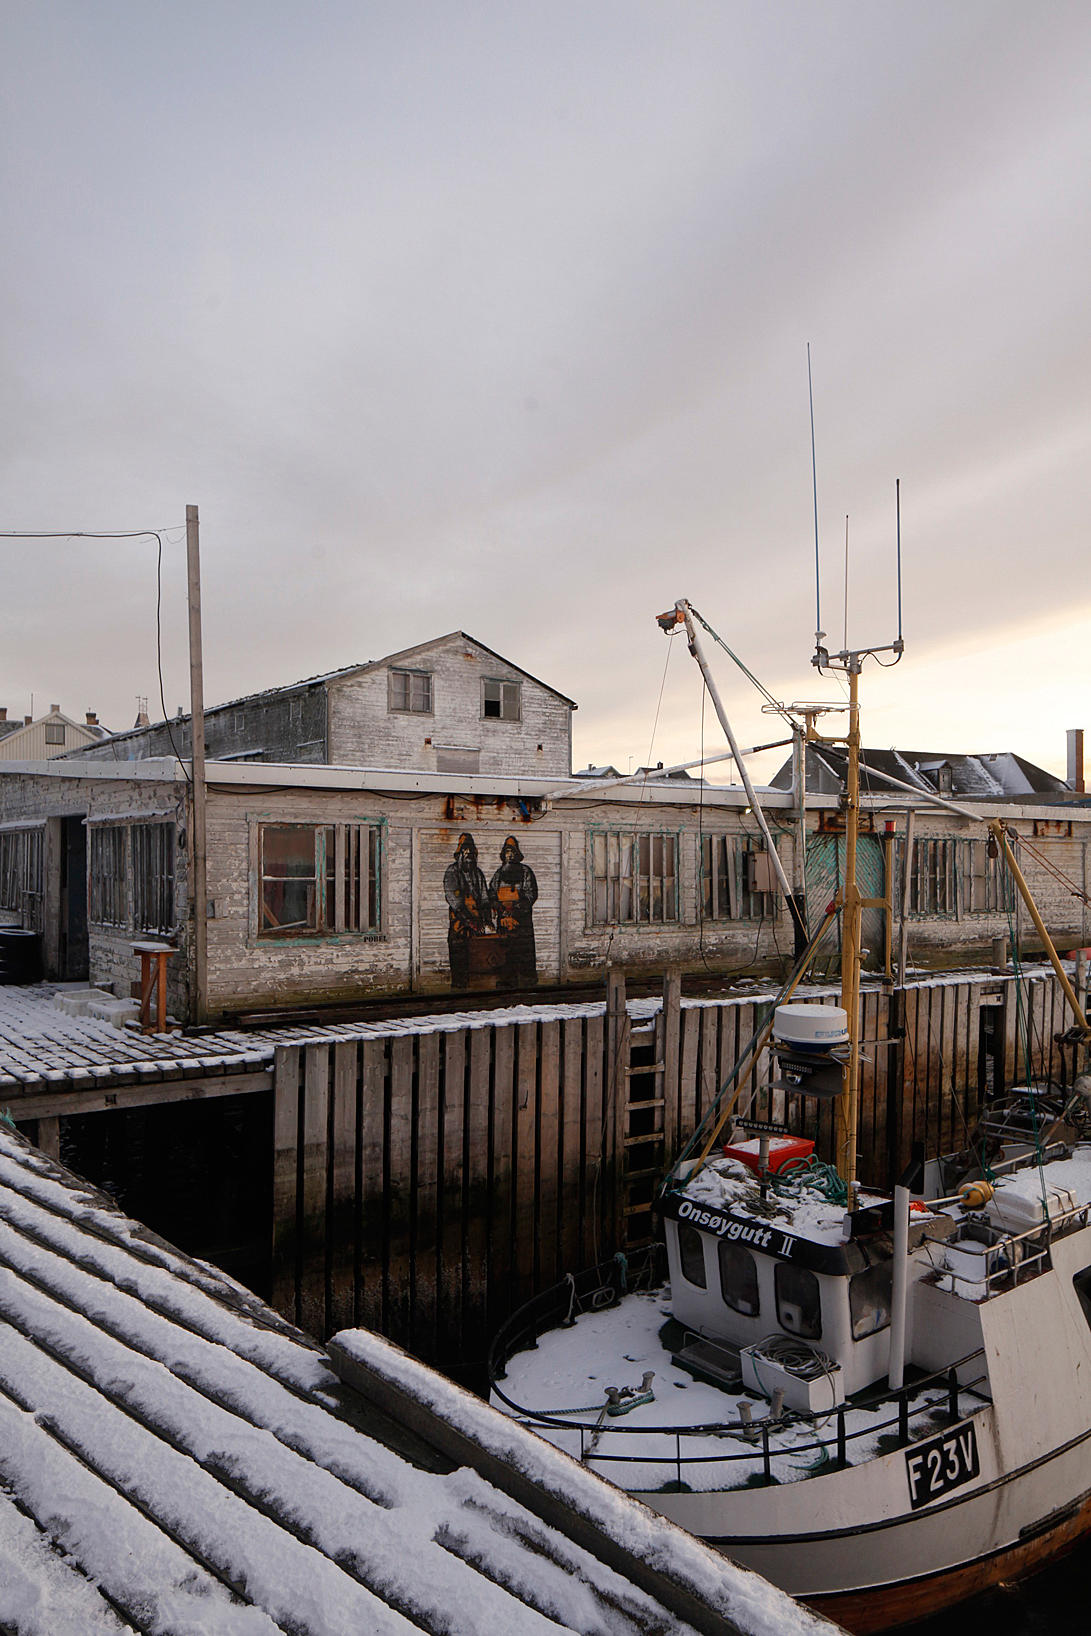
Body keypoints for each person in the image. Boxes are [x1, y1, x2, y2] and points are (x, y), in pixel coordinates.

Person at [489, 835, 538, 987]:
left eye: (512, 852)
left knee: (524, 960)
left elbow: (531, 896)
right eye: (507, 852)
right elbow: (491, 894)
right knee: (505, 958)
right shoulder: (498, 874)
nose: (509, 855)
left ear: (517, 854)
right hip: (504, 923)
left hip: (522, 924)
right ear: (503, 855)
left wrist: (515, 909)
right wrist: (500, 908)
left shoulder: (526, 872)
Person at [444, 833, 491, 987]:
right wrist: (470, 921)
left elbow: (484, 899)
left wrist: (487, 920)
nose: (468, 853)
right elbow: (455, 902)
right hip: (459, 929)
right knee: (460, 972)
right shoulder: (452, 872)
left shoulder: (478, 874)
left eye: (471, 850)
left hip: (477, 931)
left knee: (478, 971)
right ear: (459, 853)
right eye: (465, 850)